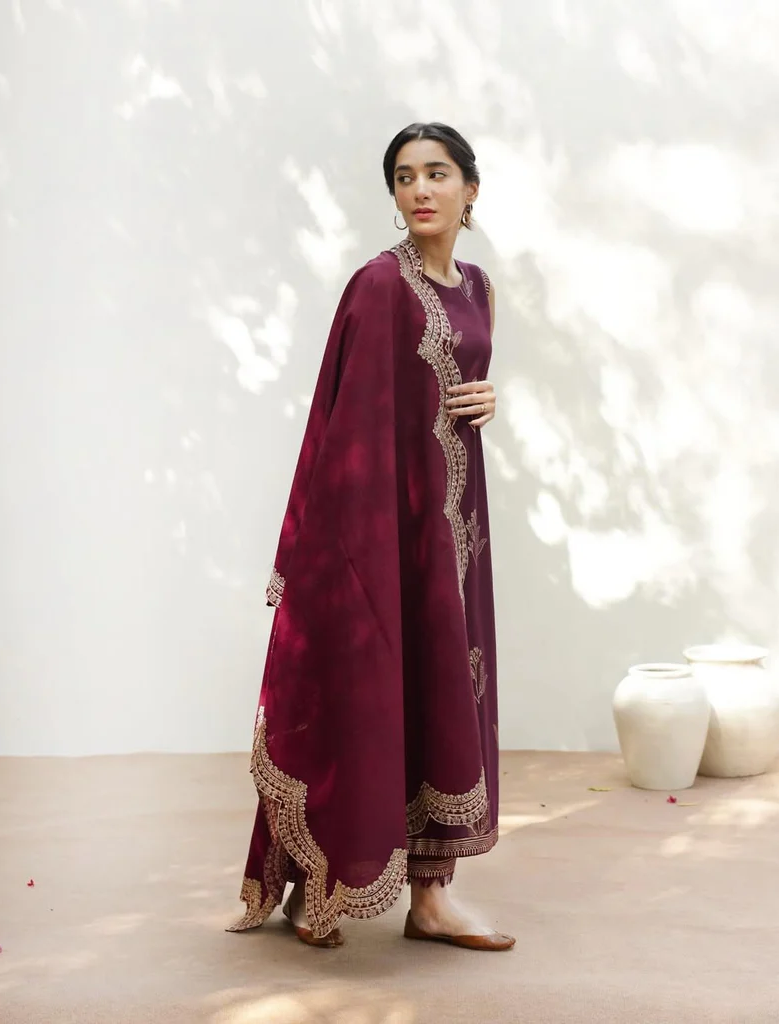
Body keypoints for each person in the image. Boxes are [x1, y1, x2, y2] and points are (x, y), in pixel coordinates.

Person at [228, 123, 514, 952]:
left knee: (441, 688)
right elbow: (346, 422)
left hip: (451, 527)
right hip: (383, 524)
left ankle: (430, 902)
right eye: (403, 176)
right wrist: (353, 554)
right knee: (365, 685)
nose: (419, 189)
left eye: (436, 173)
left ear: (469, 188)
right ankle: (320, 879)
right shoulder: (378, 285)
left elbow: (449, 383)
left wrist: (486, 399)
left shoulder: (477, 285)